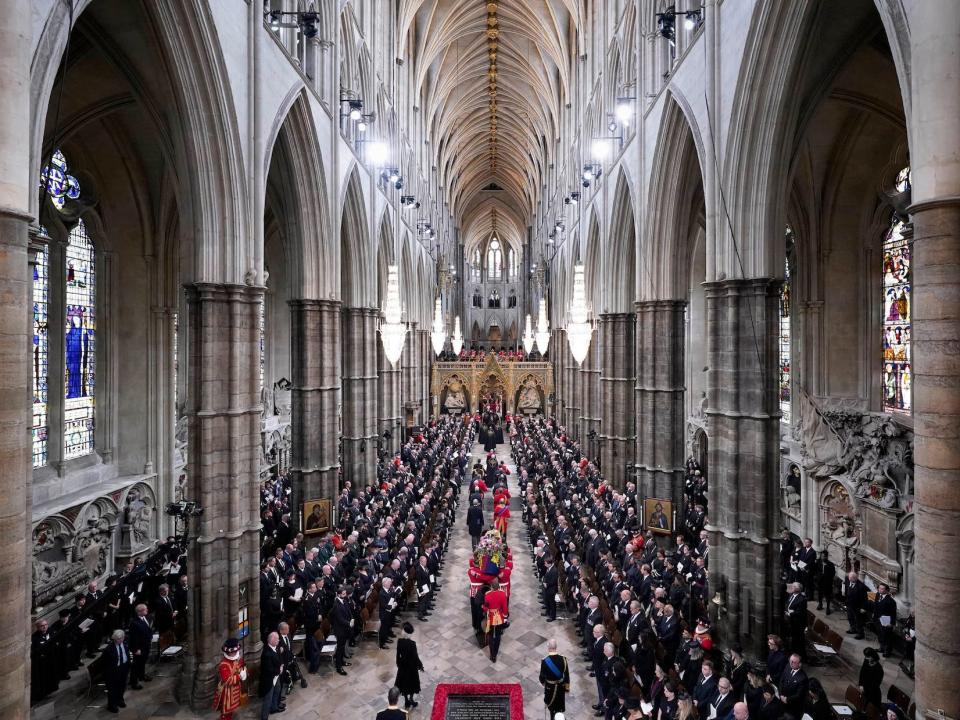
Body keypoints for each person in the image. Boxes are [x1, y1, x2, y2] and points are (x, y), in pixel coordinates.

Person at [213, 637, 247, 720]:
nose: (236, 653)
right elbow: (228, 680)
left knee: (232, 710)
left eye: (236, 651)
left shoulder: (238, 658)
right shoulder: (223, 664)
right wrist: (240, 676)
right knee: (226, 712)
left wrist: (245, 671)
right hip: (227, 692)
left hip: (236, 689)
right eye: (234, 652)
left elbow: (243, 666)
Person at [102, 629, 132, 714]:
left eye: (121, 638)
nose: (120, 640)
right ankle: (111, 705)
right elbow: (105, 663)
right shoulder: (109, 649)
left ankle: (120, 700)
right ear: (114, 639)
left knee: (122, 686)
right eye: (118, 639)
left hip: (124, 668)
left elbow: (127, 654)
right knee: (112, 689)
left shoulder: (125, 644)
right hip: (113, 671)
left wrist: (128, 665)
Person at [394, 622, 424, 709]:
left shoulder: (400, 642)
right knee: (412, 685)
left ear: (405, 632)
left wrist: (398, 664)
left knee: (403, 685)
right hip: (411, 668)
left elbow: (398, 655)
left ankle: (407, 700)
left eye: (403, 630)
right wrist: (420, 665)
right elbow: (415, 657)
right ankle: (411, 699)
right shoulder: (412, 644)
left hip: (403, 668)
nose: (402, 631)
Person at [539, 638, 570, 720]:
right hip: (560, 688)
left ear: (549, 648)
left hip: (550, 688)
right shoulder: (563, 659)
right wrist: (566, 688)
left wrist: (543, 683)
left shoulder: (545, 661)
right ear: (556, 647)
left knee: (552, 709)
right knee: (559, 708)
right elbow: (566, 675)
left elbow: (542, 677)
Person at [482, 578, 509, 662]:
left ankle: (491, 654)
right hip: (499, 618)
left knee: (490, 636)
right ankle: (495, 654)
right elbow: (505, 608)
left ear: (491, 587)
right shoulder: (502, 594)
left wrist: (482, 607)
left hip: (491, 617)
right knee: (497, 637)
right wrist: (505, 617)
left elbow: (486, 608)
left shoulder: (487, 595)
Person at [259, 632, 284, 720]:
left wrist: (280, 665)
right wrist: (279, 670)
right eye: (277, 639)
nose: (279, 640)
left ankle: (274, 708)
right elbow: (269, 670)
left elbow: (278, 658)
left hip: (275, 677)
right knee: (268, 699)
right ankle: (264, 717)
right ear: (272, 640)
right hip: (269, 679)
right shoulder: (266, 653)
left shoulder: (274, 647)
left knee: (277, 689)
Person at [127, 603, 153, 689]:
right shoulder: (134, 623)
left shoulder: (146, 617)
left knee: (143, 662)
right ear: (140, 612)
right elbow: (134, 638)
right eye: (145, 609)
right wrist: (136, 649)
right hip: (139, 647)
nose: (147, 610)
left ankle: (142, 675)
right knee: (136, 665)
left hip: (146, 645)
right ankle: (134, 682)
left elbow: (148, 629)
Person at [331, 585, 353, 675]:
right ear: (339, 594)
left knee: (343, 646)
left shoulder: (344, 601)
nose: (345, 595)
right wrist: (349, 623)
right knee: (340, 648)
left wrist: (351, 618)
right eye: (343, 594)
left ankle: (341, 661)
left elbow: (348, 611)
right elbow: (340, 619)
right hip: (340, 630)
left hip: (345, 628)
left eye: (345, 594)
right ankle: (338, 666)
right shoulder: (336, 604)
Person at [873, 583, 897, 656]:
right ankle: (881, 647)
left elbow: (893, 613)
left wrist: (892, 623)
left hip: (886, 621)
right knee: (880, 634)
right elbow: (876, 606)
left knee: (887, 636)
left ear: (887, 591)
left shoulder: (891, 601)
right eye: (879, 588)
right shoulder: (877, 595)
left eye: (882, 589)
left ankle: (887, 651)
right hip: (878, 619)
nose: (880, 590)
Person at [845, 570, 868, 639]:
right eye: (849, 578)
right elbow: (847, 588)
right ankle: (853, 629)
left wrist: (863, 608)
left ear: (855, 578)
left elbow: (864, 599)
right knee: (850, 618)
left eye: (851, 578)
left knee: (858, 621)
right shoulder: (848, 580)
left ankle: (860, 634)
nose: (849, 579)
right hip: (849, 604)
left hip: (857, 606)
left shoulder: (861, 587)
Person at [543, 555, 559, 621]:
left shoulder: (554, 571)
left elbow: (554, 581)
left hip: (551, 589)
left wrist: (546, 584)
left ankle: (553, 617)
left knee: (552, 603)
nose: (544, 564)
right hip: (547, 588)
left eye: (545, 563)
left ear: (549, 564)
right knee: (547, 601)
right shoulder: (549, 568)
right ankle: (548, 612)